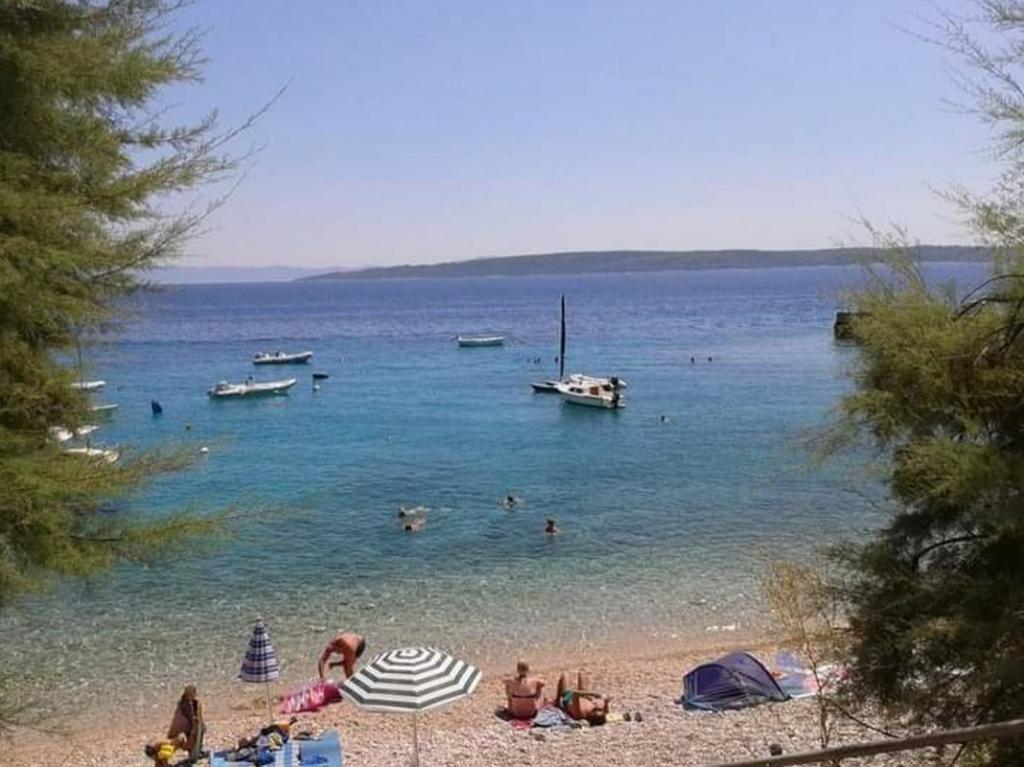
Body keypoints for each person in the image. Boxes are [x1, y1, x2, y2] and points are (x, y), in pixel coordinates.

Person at [167, 684, 203, 755]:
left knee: (200, 729)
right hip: (184, 727)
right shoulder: (184, 704)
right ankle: (193, 751)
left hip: (187, 726)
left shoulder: (191, 703)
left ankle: (196, 750)